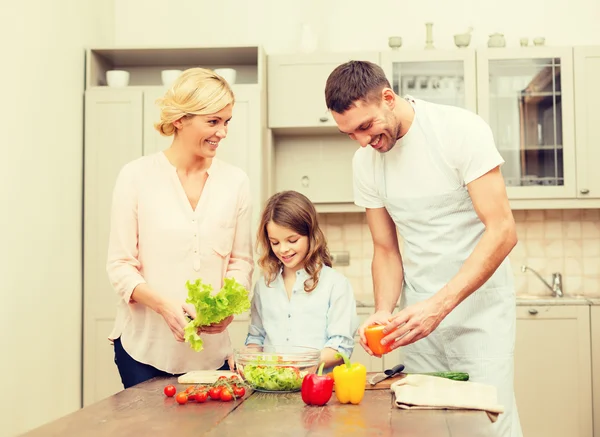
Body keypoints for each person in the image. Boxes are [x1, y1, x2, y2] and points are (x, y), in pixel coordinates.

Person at [324, 61, 522, 437]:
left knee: (484, 426)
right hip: (417, 322)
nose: (363, 141)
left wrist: (440, 305)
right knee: (425, 425)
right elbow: (385, 249)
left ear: (388, 98)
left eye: (365, 126)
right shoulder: (365, 162)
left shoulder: (458, 130)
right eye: (349, 133)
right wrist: (383, 310)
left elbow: (503, 230)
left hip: (480, 317)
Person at [106, 67, 254, 388]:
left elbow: (241, 263)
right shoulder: (136, 177)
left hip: (211, 355)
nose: (223, 132)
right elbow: (119, 266)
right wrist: (163, 306)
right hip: (143, 350)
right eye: (213, 121)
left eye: (226, 122)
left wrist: (227, 308)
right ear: (180, 120)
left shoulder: (235, 182)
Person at [245, 190, 359, 369]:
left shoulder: (336, 284)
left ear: (310, 235)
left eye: (292, 240)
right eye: (275, 242)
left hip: (318, 387)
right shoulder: (264, 286)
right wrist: (248, 359)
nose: (283, 249)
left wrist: (300, 363)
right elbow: (256, 338)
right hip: (272, 386)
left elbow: (340, 345)